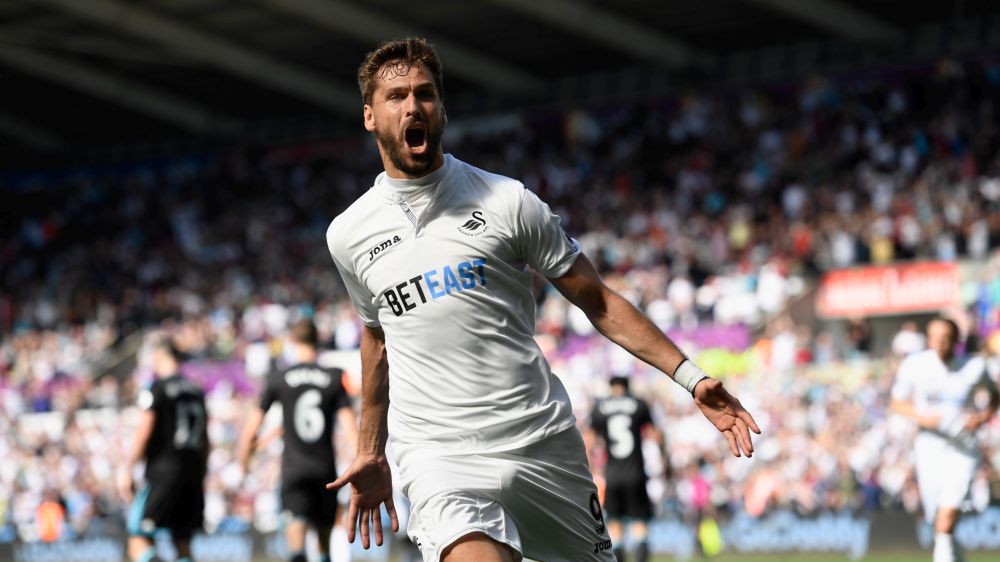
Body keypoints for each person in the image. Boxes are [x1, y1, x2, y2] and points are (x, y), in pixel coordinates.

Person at [325, 37, 760, 562]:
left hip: (539, 441)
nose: (413, 106)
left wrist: (691, 376)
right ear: (370, 116)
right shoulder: (349, 234)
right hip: (438, 455)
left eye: (425, 94)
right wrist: (371, 450)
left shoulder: (508, 201)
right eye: (396, 97)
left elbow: (597, 300)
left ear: (442, 108)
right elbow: (377, 337)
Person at [236, 319, 356, 562]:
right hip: (325, 471)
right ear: (317, 340)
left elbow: (251, 428)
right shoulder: (333, 377)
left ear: (292, 341)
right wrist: (358, 467)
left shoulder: (280, 377)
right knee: (324, 549)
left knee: (297, 550)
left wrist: (244, 463)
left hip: (294, 471)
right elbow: (350, 428)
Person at [889, 317, 1000, 562]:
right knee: (938, 522)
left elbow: (994, 395)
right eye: (934, 337)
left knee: (946, 517)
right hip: (928, 446)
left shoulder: (974, 365)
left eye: (945, 337)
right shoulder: (914, 365)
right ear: (928, 339)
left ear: (956, 340)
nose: (939, 342)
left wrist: (982, 417)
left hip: (962, 448)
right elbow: (896, 402)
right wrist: (922, 417)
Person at [118, 339, 208, 562]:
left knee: (138, 538)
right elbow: (206, 439)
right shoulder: (196, 390)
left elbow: (144, 432)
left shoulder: (156, 389)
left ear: (159, 356)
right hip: (192, 474)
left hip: (163, 474)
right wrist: (201, 472)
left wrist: (128, 468)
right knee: (183, 544)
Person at [588, 376, 659, 562]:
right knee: (640, 522)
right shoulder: (639, 404)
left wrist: (592, 464)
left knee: (614, 523)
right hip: (636, 472)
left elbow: (590, 439)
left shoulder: (600, 407)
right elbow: (654, 434)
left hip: (612, 474)